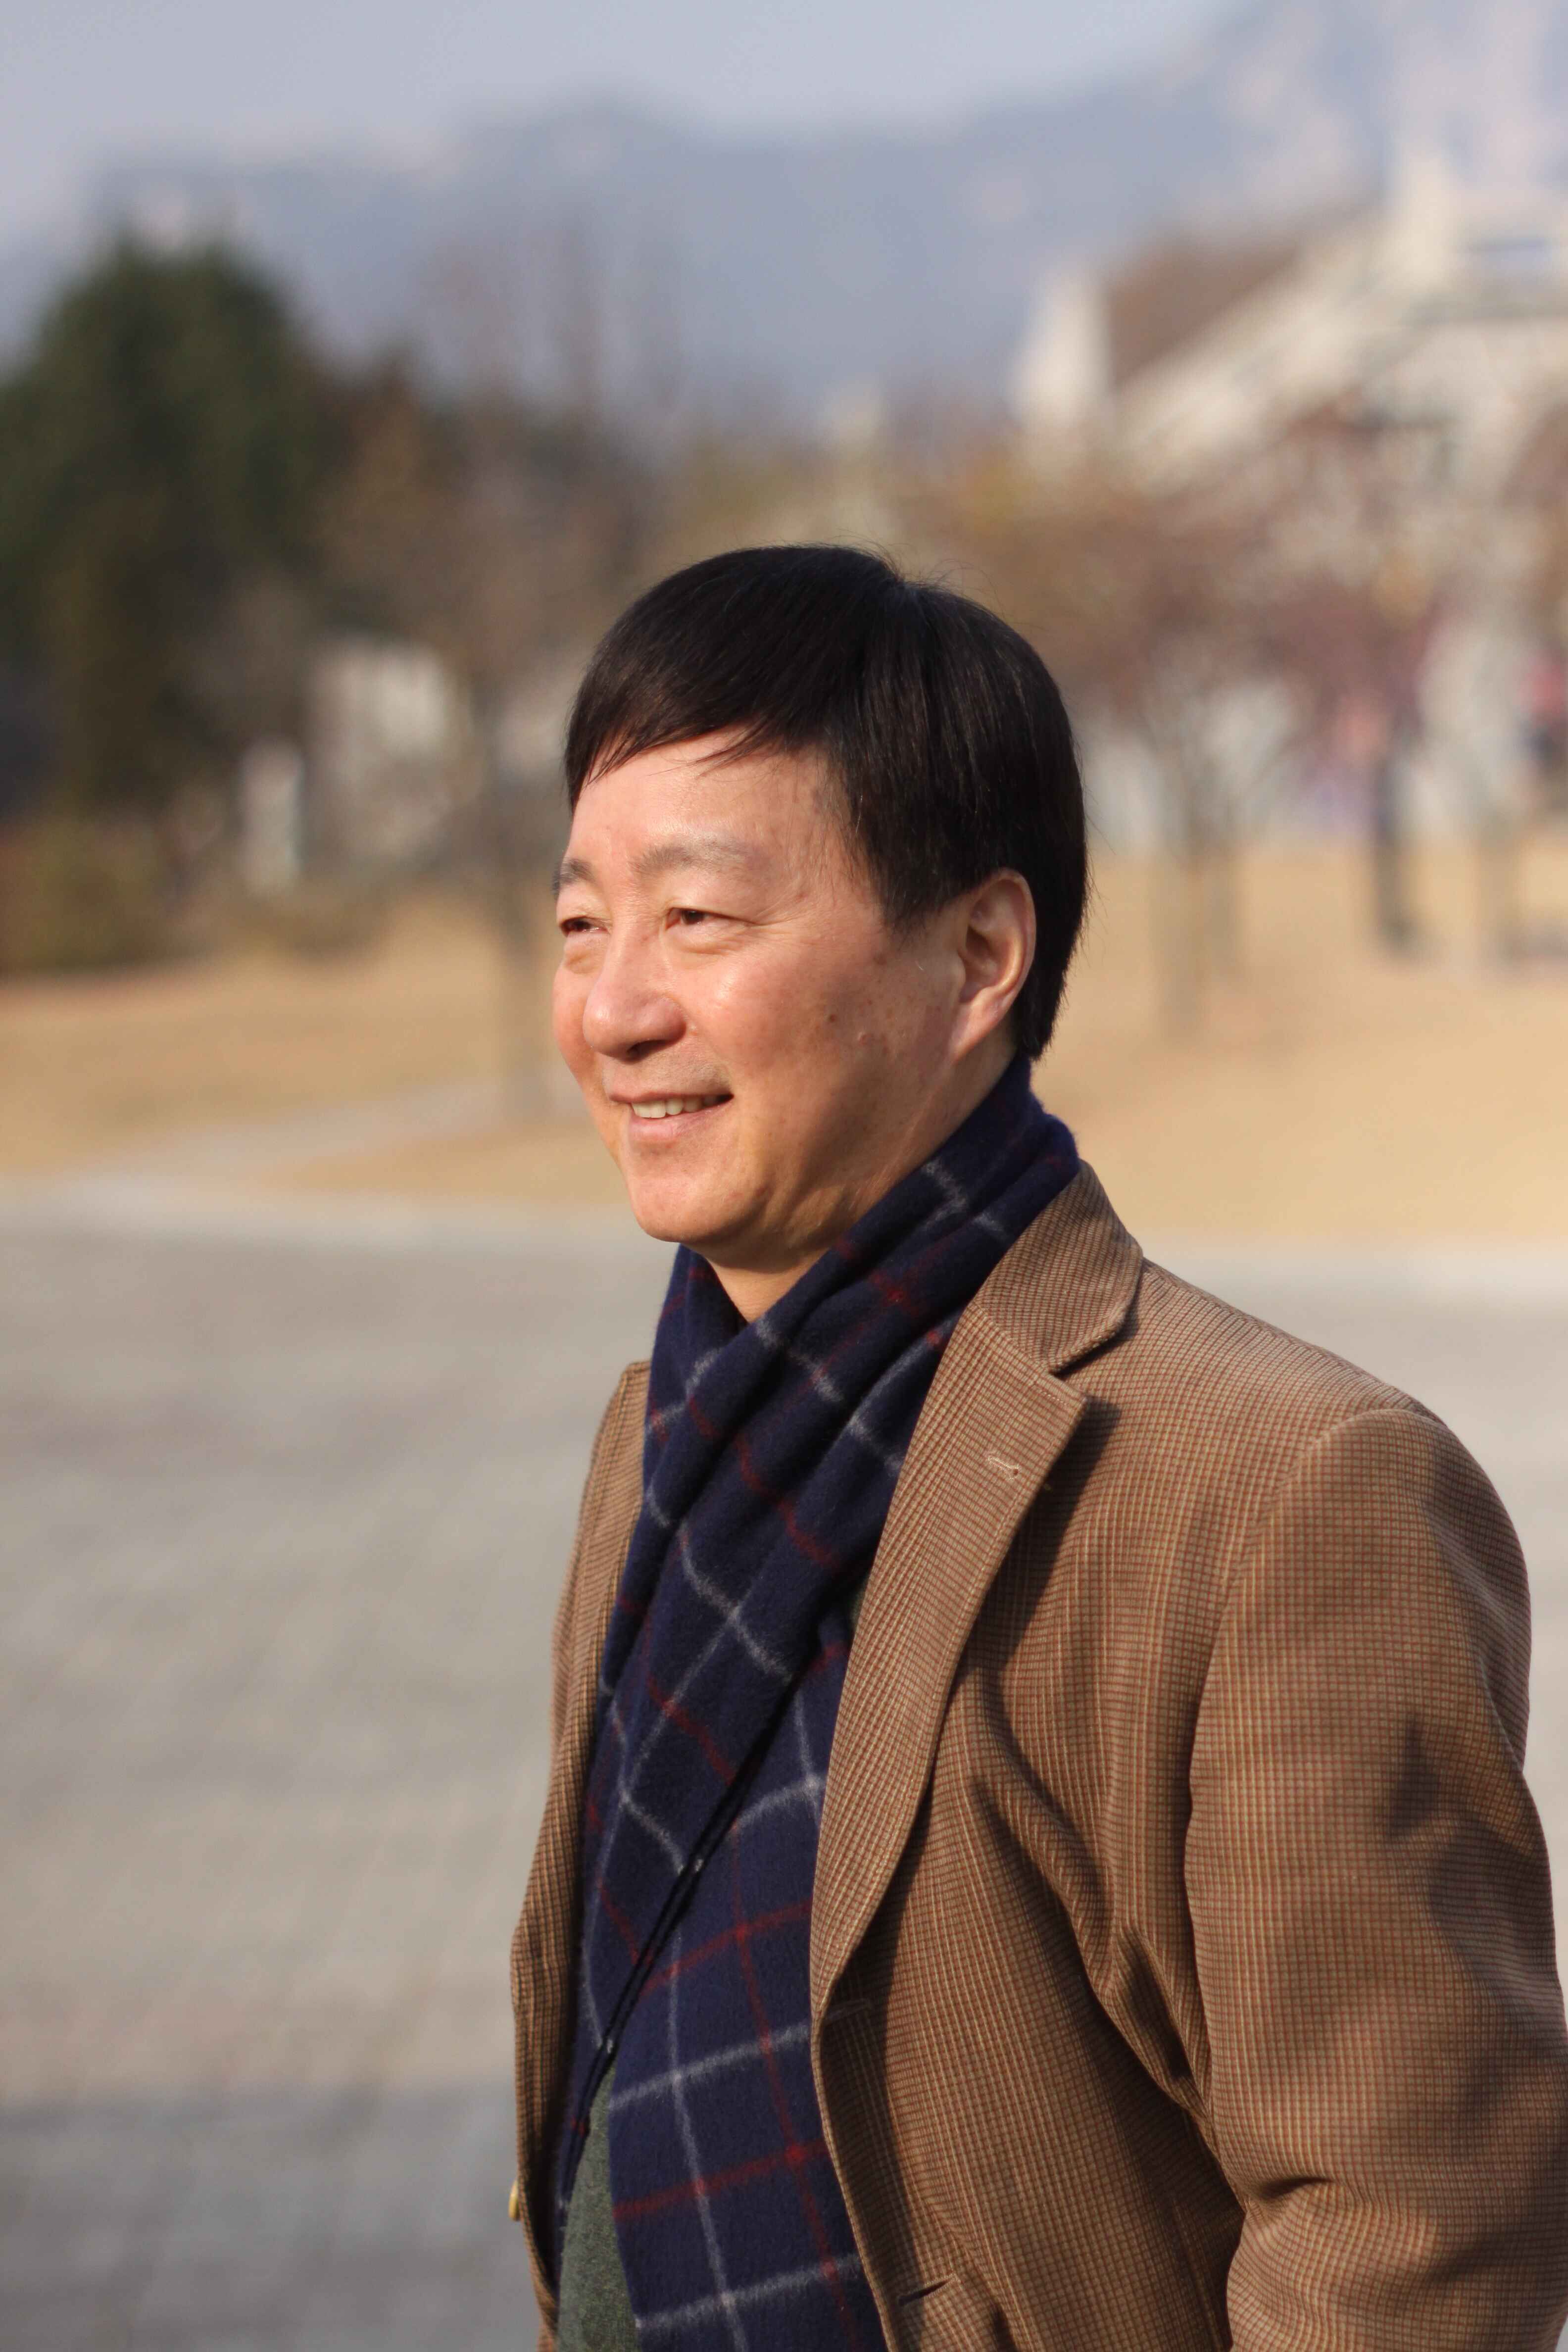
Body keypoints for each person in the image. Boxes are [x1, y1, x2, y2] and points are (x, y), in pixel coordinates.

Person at [509, 545, 1568, 2351]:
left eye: (697, 918)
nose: (615, 1009)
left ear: (980, 956)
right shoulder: (661, 1448)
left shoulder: (1281, 1490)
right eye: (581, 924)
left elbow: (1415, 2237)